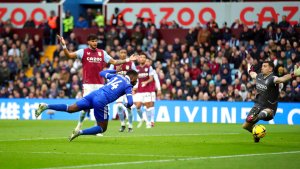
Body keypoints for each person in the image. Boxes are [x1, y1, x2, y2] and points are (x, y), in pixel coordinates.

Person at [56, 34, 137, 133]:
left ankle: (96, 128)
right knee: (84, 108)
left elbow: (114, 62)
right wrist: (64, 46)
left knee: (98, 107)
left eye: (96, 41)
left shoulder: (102, 53)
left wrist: (128, 60)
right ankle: (79, 125)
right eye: (93, 41)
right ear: (88, 42)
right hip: (88, 84)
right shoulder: (83, 52)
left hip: (100, 85)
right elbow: (69, 55)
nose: (95, 43)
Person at [35, 69, 138, 141]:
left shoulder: (116, 76)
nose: (136, 81)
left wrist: (116, 71)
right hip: (102, 100)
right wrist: (125, 104)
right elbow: (130, 102)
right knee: (102, 128)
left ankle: (46, 106)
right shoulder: (128, 85)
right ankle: (79, 132)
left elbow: (102, 73)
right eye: (136, 79)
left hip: (94, 94)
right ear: (132, 78)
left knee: (71, 108)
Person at [244, 61, 300, 143]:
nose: (262, 67)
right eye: (262, 66)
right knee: (245, 126)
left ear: (270, 69)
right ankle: (257, 133)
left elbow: (282, 78)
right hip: (258, 105)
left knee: (263, 113)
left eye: (265, 66)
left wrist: (293, 74)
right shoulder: (259, 76)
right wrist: (249, 67)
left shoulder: (272, 78)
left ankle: (256, 119)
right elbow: (252, 73)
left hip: (269, 108)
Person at [108, 49, 137, 132]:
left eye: (125, 53)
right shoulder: (114, 63)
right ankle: (123, 124)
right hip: (118, 89)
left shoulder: (131, 63)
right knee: (119, 107)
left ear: (126, 54)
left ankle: (130, 126)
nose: (123, 54)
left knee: (128, 107)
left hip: (127, 88)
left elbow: (135, 75)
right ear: (119, 53)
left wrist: (134, 87)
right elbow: (109, 74)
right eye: (121, 52)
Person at [134, 53, 154, 128]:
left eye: (144, 57)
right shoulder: (136, 68)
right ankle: (143, 118)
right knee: (138, 106)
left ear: (145, 59)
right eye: (141, 57)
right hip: (139, 91)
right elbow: (134, 79)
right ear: (139, 59)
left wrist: (146, 82)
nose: (142, 58)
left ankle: (148, 123)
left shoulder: (149, 67)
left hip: (147, 90)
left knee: (148, 107)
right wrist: (134, 87)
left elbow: (151, 78)